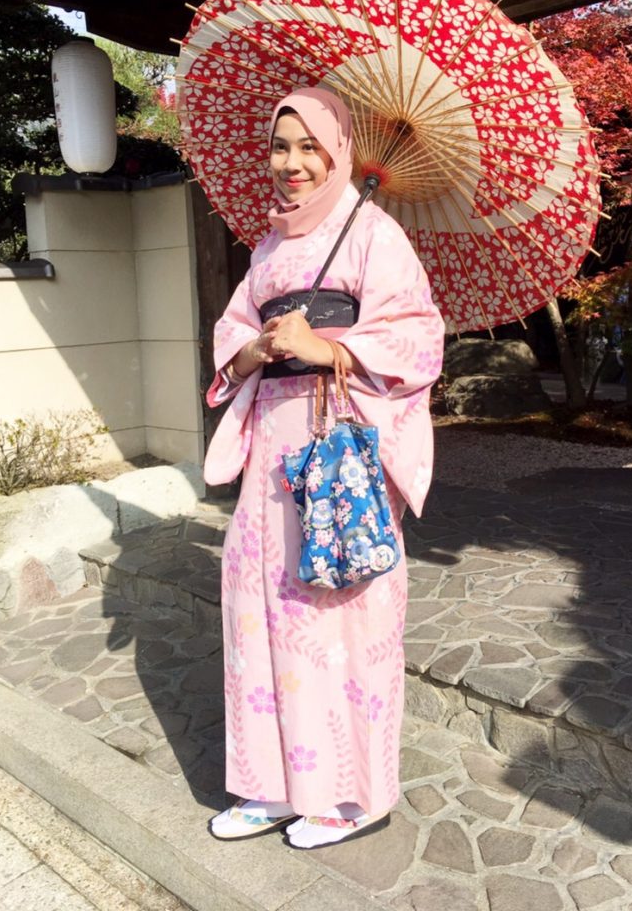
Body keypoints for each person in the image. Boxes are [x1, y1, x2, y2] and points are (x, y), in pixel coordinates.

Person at [204, 86, 444, 849]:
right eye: (280, 146)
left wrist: (329, 347)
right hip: (270, 448)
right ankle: (271, 784)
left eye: (310, 146)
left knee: (339, 614)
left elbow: (418, 337)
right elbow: (233, 330)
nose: (292, 163)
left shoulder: (374, 232)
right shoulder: (268, 248)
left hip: (339, 444)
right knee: (256, 606)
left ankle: (348, 795)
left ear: (339, 150)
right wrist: (253, 350)